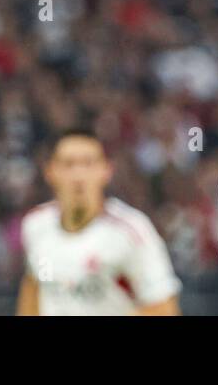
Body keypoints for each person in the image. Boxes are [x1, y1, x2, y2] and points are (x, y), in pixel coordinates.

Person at [18, 128, 181, 315]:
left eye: (88, 163)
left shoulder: (132, 231)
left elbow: (163, 307)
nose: (78, 175)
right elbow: (32, 288)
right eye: (68, 164)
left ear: (106, 170)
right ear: (50, 171)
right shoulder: (36, 225)